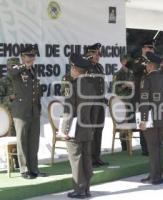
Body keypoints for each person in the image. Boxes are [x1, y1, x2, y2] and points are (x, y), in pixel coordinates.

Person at [8, 45, 46, 179]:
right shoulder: (17, 69)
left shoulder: (32, 71)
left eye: (33, 56)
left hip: (34, 111)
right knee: (22, 140)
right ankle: (24, 169)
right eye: (29, 56)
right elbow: (11, 73)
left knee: (33, 141)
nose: (32, 58)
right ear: (22, 57)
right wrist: (25, 65)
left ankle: (34, 168)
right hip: (22, 111)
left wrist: (39, 108)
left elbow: (36, 92)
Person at [61, 53, 95, 198]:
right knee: (86, 158)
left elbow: (69, 110)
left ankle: (79, 190)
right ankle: (86, 189)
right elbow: (93, 108)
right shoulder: (90, 85)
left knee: (76, 159)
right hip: (87, 126)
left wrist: (65, 130)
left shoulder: (73, 86)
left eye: (71, 67)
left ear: (74, 68)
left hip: (75, 128)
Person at [139, 52, 163, 185]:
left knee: (153, 148)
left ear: (151, 65)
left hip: (151, 117)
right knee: (158, 146)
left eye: (146, 63)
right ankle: (156, 174)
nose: (145, 65)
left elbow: (145, 101)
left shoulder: (147, 79)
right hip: (161, 115)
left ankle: (155, 176)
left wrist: (143, 119)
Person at [85, 43, 109, 167]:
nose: (98, 56)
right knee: (91, 130)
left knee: (99, 129)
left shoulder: (99, 67)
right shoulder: (85, 67)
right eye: (96, 54)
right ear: (90, 54)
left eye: (99, 54)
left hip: (99, 102)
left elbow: (100, 84)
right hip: (90, 103)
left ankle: (96, 156)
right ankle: (89, 158)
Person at [132, 39, 155, 156]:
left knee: (152, 120)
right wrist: (146, 63)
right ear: (143, 49)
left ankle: (151, 146)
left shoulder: (154, 61)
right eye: (148, 48)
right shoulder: (138, 60)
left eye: (151, 48)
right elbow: (135, 69)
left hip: (152, 96)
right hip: (141, 97)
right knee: (143, 120)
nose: (150, 50)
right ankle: (145, 149)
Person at [112, 54, 134, 151]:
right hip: (123, 102)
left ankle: (130, 146)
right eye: (126, 61)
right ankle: (124, 147)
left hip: (133, 101)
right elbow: (115, 90)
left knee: (133, 124)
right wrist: (125, 86)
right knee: (123, 127)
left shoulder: (133, 73)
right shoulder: (118, 75)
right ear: (122, 62)